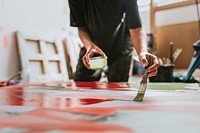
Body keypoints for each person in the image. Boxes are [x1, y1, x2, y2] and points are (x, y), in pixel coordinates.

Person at [68, 0, 159, 82]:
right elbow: (81, 28)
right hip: (92, 44)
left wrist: (142, 52)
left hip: (121, 43)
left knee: (118, 84)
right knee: (82, 83)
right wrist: (89, 45)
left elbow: (135, 28)